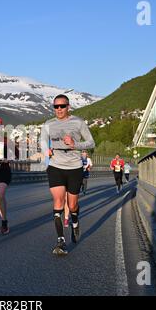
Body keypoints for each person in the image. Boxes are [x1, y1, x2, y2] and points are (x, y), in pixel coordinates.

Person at [42, 94, 95, 255]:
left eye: (62, 106)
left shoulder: (78, 122)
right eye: (56, 106)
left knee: (72, 205)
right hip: (55, 166)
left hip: (74, 167)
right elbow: (42, 141)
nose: (59, 109)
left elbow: (91, 143)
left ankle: (75, 220)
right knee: (58, 201)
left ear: (68, 107)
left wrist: (74, 144)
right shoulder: (48, 124)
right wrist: (46, 150)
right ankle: (61, 241)